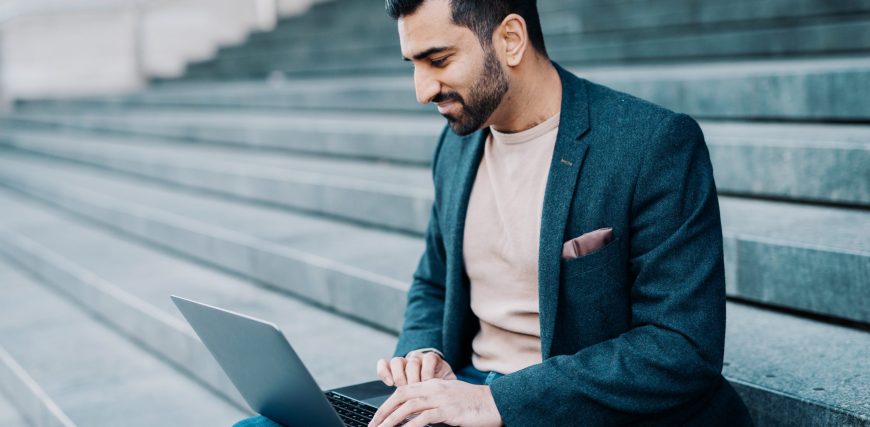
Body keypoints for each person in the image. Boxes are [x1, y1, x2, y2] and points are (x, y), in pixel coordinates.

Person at [367, 0, 754, 426]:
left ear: (511, 40)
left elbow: (681, 347)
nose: (422, 90)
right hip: (466, 391)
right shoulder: (456, 144)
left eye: (438, 60)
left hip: (574, 408)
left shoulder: (652, 144)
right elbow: (433, 280)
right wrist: (423, 352)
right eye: (413, 64)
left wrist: (497, 402)